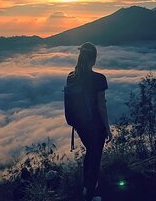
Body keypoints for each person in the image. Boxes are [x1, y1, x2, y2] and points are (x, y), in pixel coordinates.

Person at [66, 42, 112, 201]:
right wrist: (107, 128)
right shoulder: (99, 79)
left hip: (80, 125)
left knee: (90, 153)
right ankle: (91, 193)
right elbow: (101, 107)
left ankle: (87, 187)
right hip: (95, 125)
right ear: (94, 59)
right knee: (95, 156)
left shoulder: (71, 77)